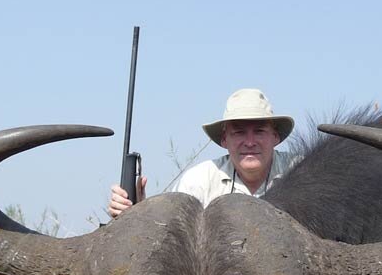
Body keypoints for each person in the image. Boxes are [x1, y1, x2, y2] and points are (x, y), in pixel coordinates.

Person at [108, 88, 294, 218]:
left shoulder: (300, 172)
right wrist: (138, 213)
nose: (250, 142)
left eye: (260, 131)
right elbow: (167, 231)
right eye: (239, 132)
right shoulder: (198, 181)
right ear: (224, 140)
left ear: (275, 136)